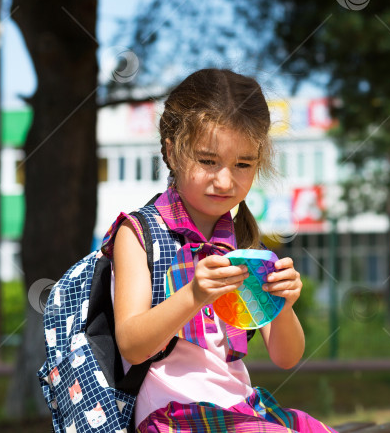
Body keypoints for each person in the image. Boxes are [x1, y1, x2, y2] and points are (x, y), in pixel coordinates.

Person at [102, 69, 336, 432]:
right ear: (172, 151)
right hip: (172, 417)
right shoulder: (139, 234)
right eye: (208, 161)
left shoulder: (243, 243)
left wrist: (284, 305)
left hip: (242, 409)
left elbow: (286, 357)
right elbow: (132, 346)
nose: (225, 180)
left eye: (243, 164)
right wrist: (194, 294)